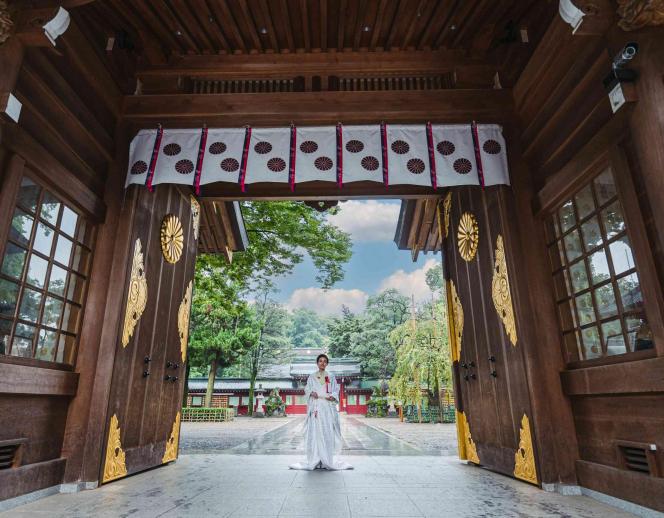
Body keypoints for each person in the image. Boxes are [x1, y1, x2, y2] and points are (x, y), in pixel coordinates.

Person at [289, 354, 353, 470]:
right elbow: (307, 389)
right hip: (316, 408)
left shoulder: (331, 377)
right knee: (315, 433)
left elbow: (335, 390)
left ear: (327, 363)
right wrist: (311, 393)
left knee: (327, 432)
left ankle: (326, 459)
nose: (322, 363)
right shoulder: (312, 377)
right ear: (317, 363)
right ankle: (315, 459)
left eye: (324, 361)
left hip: (327, 408)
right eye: (320, 361)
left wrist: (332, 396)